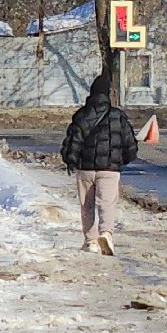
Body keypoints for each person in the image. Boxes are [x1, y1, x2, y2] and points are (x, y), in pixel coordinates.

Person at [60, 72, 138, 254]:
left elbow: (72, 142)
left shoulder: (81, 115)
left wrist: (70, 161)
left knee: (86, 205)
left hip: (85, 169)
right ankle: (106, 233)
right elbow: (131, 145)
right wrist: (120, 162)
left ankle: (90, 241)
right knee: (107, 203)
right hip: (109, 170)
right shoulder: (118, 116)